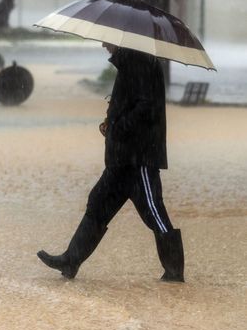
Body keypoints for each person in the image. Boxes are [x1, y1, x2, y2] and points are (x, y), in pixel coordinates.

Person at [37, 42, 185, 282]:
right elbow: (129, 103)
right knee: (98, 202)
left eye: (107, 40)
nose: (103, 44)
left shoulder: (141, 62)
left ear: (122, 38)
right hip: (121, 158)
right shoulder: (129, 61)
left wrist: (118, 127)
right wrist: (111, 121)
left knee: (154, 213)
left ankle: (175, 272)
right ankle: (71, 260)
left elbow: (146, 108)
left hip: (139, 159)